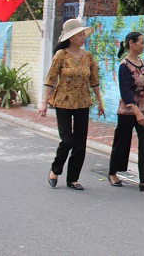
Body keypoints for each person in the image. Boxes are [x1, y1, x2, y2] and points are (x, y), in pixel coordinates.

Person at [38, 18, 104, 191]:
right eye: (79, 34)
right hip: (63, 102)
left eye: (83, 34)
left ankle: (73, 179)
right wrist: (43, 102)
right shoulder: (61, 55)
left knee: (80, 143)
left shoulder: (88, 56)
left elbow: (94, 81)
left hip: (83, 101)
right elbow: (50, 79)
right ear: (70, 37)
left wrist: (99, 102)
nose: (83, 37)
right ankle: (55, 169)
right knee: (67, 140)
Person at [107, 32, 144, 193]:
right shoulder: (125, 65)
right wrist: (136, 111)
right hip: (128, 111)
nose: (143, 45)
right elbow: (125, 91)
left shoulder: (143, 63)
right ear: (131, 43)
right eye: (141, 42)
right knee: (122, 143)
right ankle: (113, 172)